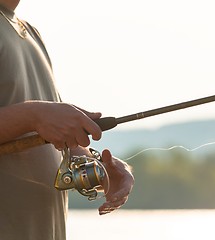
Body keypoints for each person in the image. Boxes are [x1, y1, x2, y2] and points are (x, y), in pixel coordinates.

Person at [0, 0, 134, 239]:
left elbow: (48, 136)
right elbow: (37, 118)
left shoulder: (30, 33)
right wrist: (34, 115)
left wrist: (99, 166)